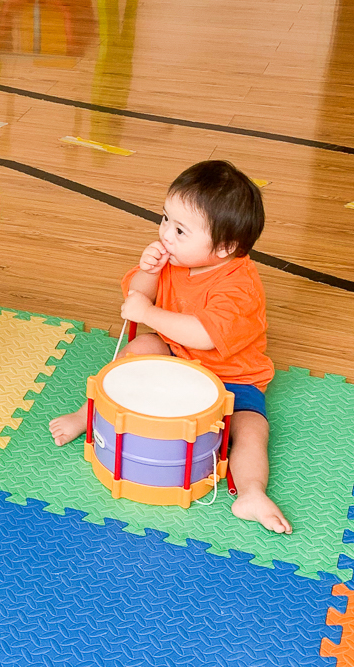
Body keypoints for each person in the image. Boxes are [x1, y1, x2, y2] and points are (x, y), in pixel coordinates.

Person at [48, 160, 290, 535]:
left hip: (232, 379)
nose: (166, 235)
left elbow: (204, 335)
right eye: (164, 220)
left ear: (225, 247)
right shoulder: (175, 258)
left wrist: (149, 311)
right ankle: (87, 415)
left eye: (179, 230)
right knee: (144, 344)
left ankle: (252, 493)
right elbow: (137, 298)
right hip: (178, 359)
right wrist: (147, 272)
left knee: (252, 429)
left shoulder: (239, 286)